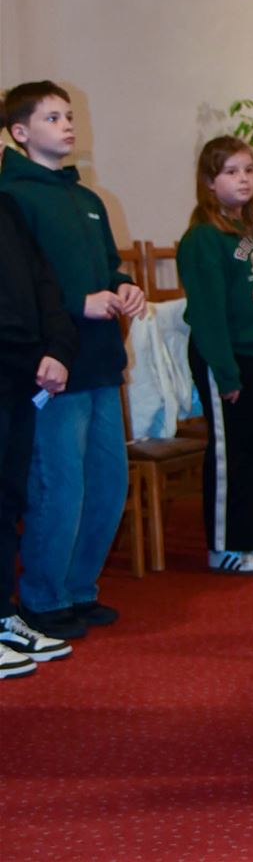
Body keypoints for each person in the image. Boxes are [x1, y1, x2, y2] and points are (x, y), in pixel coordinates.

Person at [1, 80, 146, 641]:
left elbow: (108, 265)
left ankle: (81, 588)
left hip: (102, 360)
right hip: (55, 366)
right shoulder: (15, 197)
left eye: (68, 115)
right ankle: (45, 596)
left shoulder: (88, 200)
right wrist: (76, 303)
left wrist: (124, 285)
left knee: (107, 483)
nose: (67, 125)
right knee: (59, 486)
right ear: (19, 132)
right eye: (52, 117)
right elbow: (25, 285)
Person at [178, 137, 253, 575]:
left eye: (248, 170)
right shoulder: (203, 239)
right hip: (227, 358)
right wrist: (226, 373)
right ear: (210, 182)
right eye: (231, 172)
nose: (244, 179)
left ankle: (249, 537)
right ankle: (225, 545)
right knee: (231, 454)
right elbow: (207, 314)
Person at [0, 188, 77, 677]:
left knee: (8, 499)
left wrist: (59, 347)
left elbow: (44, 282)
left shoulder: (6, 207)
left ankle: (3, 616)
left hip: (17, 364)